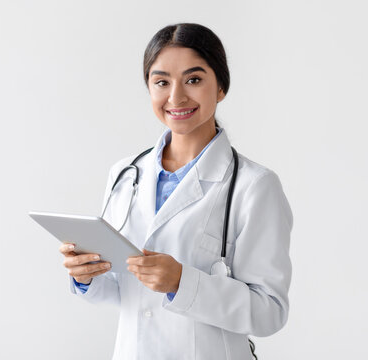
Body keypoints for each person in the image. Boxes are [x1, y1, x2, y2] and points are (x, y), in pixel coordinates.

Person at [59, 22, 293, 360]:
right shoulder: (125, 174)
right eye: (161, 82)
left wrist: (183, 282)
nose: (176, 97)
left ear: (221, 87)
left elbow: (270, 311)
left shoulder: (254, 186)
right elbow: (123, 292)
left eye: (194, 80)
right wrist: (87, 277)